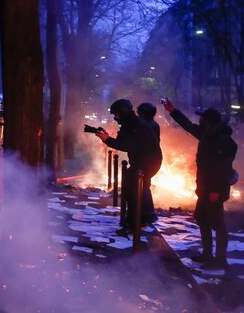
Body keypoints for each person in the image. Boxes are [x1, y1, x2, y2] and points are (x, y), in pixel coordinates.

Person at [163, 99, 237, 270]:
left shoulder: (222, 141)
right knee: (202, 218)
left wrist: (216, 191)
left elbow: (223, 169)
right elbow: (188, 126)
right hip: (205, 187)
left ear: (209, 122)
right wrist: (172, 110)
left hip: (214, 189)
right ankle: (207, 254)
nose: (199, 121)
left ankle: (220, 260)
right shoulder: (207, 134)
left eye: (203, 119)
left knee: (217, 223)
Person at [95, 99, 162, 227]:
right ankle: (141, 217)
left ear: (123, 112)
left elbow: (126, 145)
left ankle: (137, 220)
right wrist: (108, 138)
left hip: (148, 162)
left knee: (135, 188)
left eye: (116, 114)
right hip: (143, 161)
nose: (115, 117)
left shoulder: (136, 124)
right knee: (137, 187)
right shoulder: (130, 123)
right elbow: (123, 141)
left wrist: (107, 140)